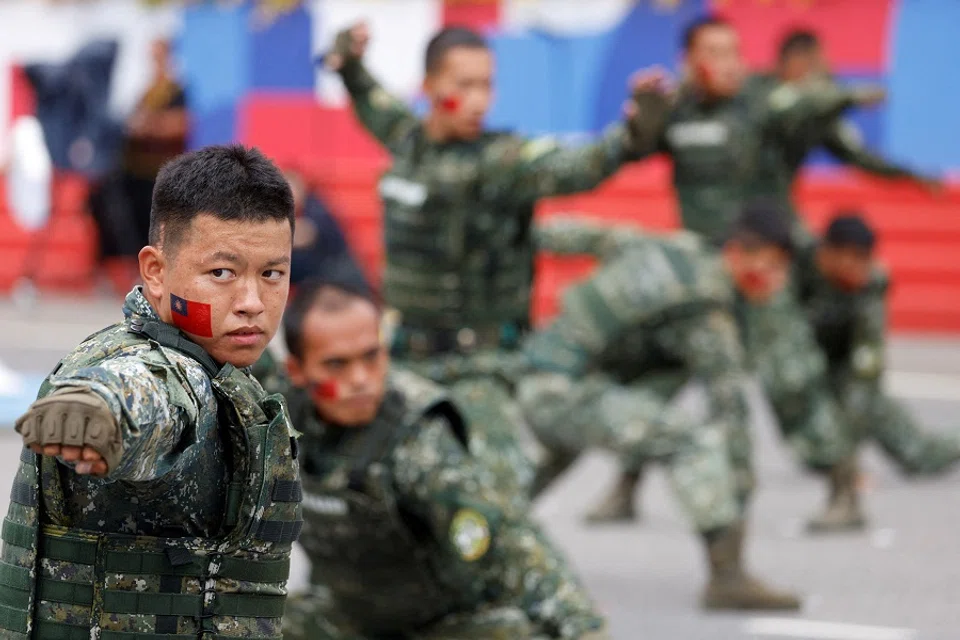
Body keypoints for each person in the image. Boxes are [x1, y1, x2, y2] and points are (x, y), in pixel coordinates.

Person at [323, 23, 656, 502]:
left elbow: (576, 166)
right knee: (360, 492)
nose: (479, 99)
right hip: (402, 360)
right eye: (464, 85)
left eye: (486, 84)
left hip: (479, 367)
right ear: (431, 86)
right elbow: (370, 98)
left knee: (495, 504)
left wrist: (631, 138)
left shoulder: (504, 162)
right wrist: (350, 65)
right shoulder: (406, 140)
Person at [0, 145, 303, 637]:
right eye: (221, 273)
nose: (252, 303)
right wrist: (98, 411)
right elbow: (147, 391)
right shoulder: (155, 365)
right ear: (156, 273)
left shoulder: (228, 359)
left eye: (272, 273)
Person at [516, 203, 853, 610]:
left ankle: (480, 538)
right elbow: (730, 414)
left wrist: (507, 234)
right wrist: (738, 507)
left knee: (525, 475)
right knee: (693, 442)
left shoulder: (676, 247)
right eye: (775, 266)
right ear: (742, 253)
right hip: (563, 393)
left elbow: (580, 235)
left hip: (541, 374)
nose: (777, 282)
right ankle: (728, 576)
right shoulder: (708, 308)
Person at [254, 277, 608, 640]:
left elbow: (513, 542)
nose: (361, 379)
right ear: (297, 372)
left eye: (371, 356)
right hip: (348, 618)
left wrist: (584, 629)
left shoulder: (415, 436)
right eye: (336, 365)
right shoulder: (278, 415)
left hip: (444, 626)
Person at [627, 16, 881, 245]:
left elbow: (803, 101)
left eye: (733, 52)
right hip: (702, 253)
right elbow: (635, 148)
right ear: (687, 60)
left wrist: (849, 96)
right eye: (715, 53)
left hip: (765, 252)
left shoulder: (762, 97)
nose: (728, 64)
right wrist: (644, 119)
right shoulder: (675, 110)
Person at [795, 212, 960, 531]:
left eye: (865, 259)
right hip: (797, 363)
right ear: (827, 252)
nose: (859, 268)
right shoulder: (792, 263)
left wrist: (847, 456)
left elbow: (866, 366)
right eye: (852, 258)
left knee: (920, 456)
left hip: (843, 370)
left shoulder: (872, 281)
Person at [745, 29, 941, 239]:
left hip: (777, 206)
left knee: (809, 252)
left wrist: (910, 174)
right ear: (797, 61)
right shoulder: (754, 90)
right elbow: (787, 108)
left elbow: (859, 156)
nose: (829, 70)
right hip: (733, 200)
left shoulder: (819, 115)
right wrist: (850, 96)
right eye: (820, 64)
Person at [122, 39, 190, 250]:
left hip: (161, 170)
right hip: (138, 169)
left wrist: (149, 125)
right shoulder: (146, 91)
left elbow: (181, 124)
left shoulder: (175, 90)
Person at [285, 166, 369, 288]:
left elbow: (306, 234)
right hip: (314, 281)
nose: (289, 194)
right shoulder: (287, 212)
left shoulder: (315, 209)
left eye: (292, 188)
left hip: (339, 276)